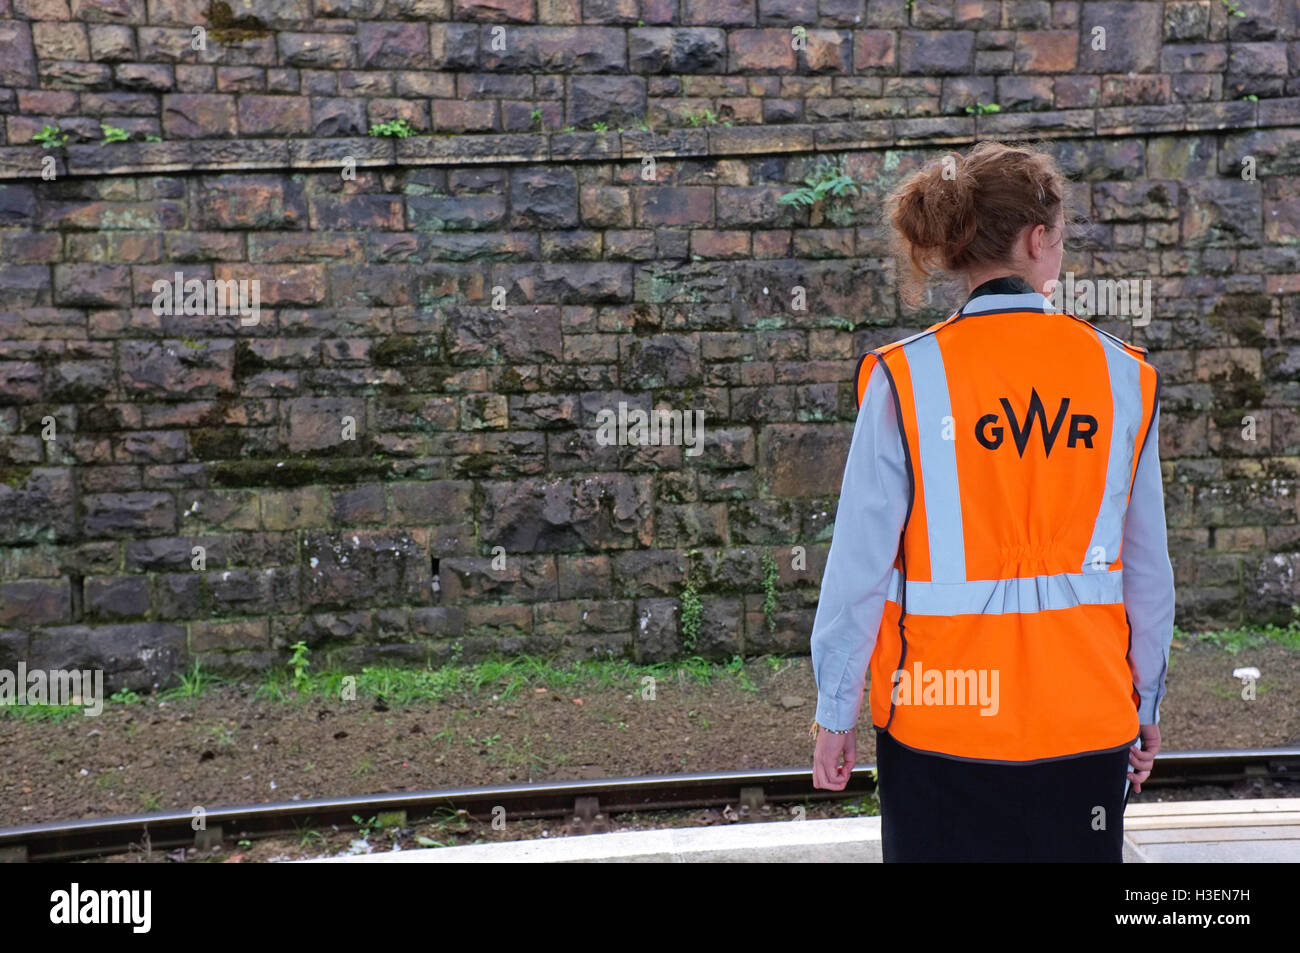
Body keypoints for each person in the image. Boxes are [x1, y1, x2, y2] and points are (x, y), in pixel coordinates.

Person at [808, 141, 1176, 862]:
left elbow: (859, 563)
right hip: (1086, 720)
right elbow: (1146, 569)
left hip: (940, 728)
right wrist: (1148, 698)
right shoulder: (1124, 378)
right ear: (1037, 240)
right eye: (1060, 238)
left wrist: (834, 710)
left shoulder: (904, 379)